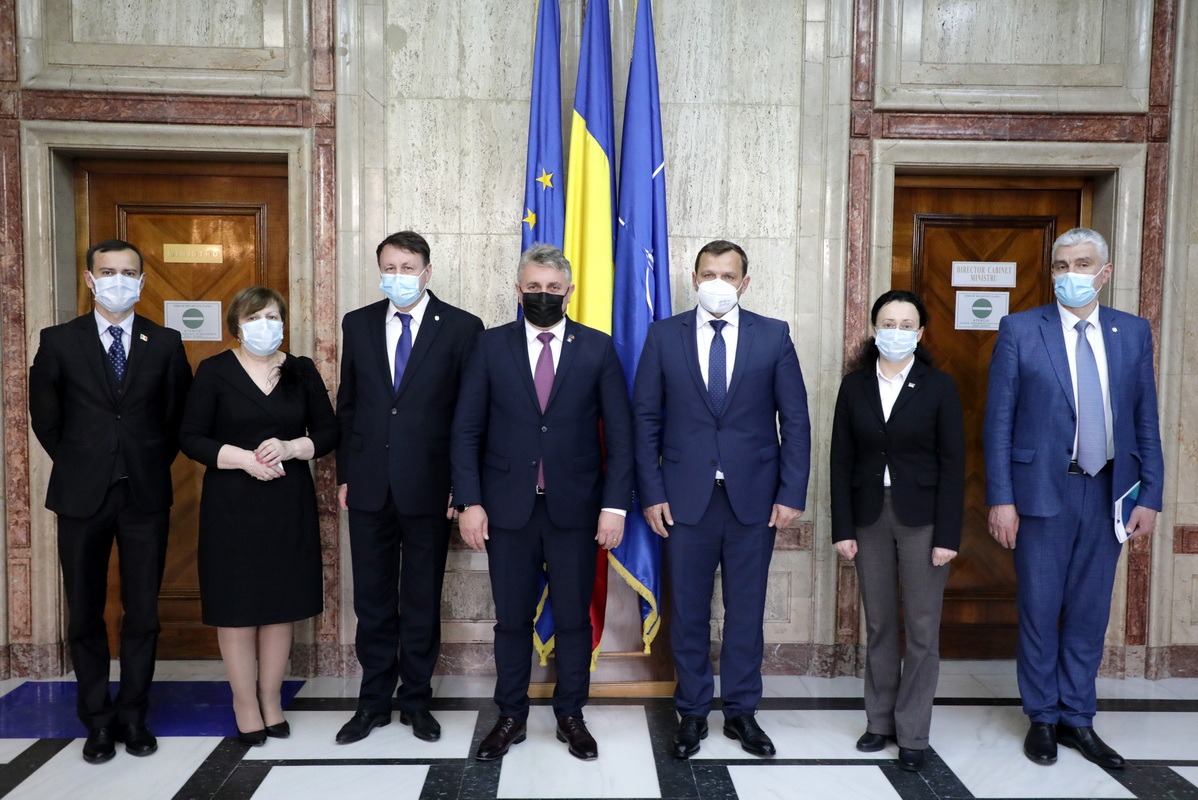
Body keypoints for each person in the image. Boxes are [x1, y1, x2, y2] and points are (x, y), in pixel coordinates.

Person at [984, 227, 1163, 770]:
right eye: (1061, 265)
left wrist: (1151, 494)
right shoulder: (1020, 329)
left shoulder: (1132, 332)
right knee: (1040, 608)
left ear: (1103, 273)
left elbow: (1145, 418)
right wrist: (1001, 499)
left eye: (1081, 265)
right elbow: (998, 421)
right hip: (1042, 491)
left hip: (1111, 490)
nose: (1070, 275)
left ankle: (1078, 718)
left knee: (1089, 611)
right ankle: (1042, 716)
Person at [451, 243, 633, 762]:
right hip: (506, 510)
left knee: (574, 619)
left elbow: (621, 437)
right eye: (534, 287)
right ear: (518, 290)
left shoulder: (597, 348)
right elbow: (465, 430)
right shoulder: (490, 346)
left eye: (553, 288)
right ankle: (510, 716)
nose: (543, 295)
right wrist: (469, 502)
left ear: (569, 292)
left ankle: (571, 715)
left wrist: (615, 507)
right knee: (511, 621)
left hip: (576, 511)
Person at [633, 239, 810, 759]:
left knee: (746, 612)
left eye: (728, 275)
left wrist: (791, 492)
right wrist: (652, 492)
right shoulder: (664, 336)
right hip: (683, 500)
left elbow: (795, 421)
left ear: (744, 283)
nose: (718, 283)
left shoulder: (773, 335)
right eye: (709, 273)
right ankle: (691, 713)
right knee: (688, 612)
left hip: (754, 500)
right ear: (694, 279)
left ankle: (741, 712)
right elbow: (645, 420)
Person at [28, 239, 192, 763]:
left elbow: (177, 419)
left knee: (142, 612)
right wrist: (86, 463)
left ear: (141, 281)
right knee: (85, 612)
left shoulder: (164, 342)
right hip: (81, 496)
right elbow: (46, 418)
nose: (117, 280)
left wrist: (143, 461)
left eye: (127, 272)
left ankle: (134, 715)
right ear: (90, 278)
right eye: (107, 271)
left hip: (144, 495)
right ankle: (97, 720)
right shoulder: (58, 340)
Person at [335, 231, 483, 745]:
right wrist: (346, 474)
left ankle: (417, 701)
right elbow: (348, 406)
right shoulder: (357, 323)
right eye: (389, 267)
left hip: (430, 488)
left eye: (407, 267)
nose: (397, 275)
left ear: (427, 272)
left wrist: (462, 488)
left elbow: (468, 416)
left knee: (421, 600)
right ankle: (373, 702)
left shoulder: (462, 327)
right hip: (369, 487)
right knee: (372, 601)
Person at [179, 286, 337, 745]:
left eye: (271, 317)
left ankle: (271, 699)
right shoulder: (214, 371)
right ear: (237, 325)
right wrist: (242, 459)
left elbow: (329, 431)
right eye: (253, 318)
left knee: (279, 606)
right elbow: (191, 437)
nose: (263, 325)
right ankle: (244, 702)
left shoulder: (301, 370)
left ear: (283, 323)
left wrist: (292, 447)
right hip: (231, 505)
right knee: (237, 607)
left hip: (288, 502)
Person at [829, 290, 965, 771]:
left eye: (907, 325)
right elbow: (840, 460)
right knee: (880, 624)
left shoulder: (939, 387)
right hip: (868, 517)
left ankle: (913, 732)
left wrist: (948, 536)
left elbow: (954, 465)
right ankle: (879, 722)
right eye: (889, 323)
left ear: (920, 333)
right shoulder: (855, 386)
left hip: (923, 519)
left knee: (923, 629)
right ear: (874, 329)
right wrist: (842, 528)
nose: (897, 332)